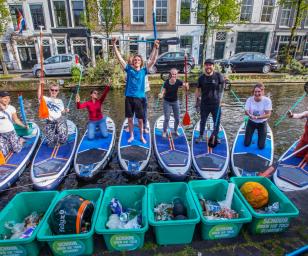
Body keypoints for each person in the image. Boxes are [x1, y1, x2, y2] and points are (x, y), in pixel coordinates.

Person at [112, 38, 159, 144]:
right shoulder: (129, 69)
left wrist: (156, 48)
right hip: (129, 98)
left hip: (140, 98)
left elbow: (153, 60)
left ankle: (142, 136)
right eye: (135, 60)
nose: (136, 61)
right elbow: (119, 58)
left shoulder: (144, 71)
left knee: (140, 120)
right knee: (129, 119)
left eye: (138, 60)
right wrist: (114, 44)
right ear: (133, 62)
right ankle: (132, 135)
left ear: (141, 62)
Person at [195, 59, 225, 144]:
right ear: (204, 66)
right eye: (207, 65)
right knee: (203, 121)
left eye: (210, 65)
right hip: (204, 104)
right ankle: (201, 136)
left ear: (213, 66)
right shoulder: (201, 78)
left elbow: (223, 88)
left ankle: (216, 136)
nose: (208, 67)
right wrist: (197, 103)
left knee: (217, 121)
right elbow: (197, 91)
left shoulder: (218, 76)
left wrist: (221, 100)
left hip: (216, 104)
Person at [159, 68, 189, 137]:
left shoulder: (178, 81)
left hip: (175, 101)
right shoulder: (166, 82)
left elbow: (186, 89)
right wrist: (161, 94)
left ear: (177, 75)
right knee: (167, 118)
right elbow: (163, 91)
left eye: (175, 74)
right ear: (170, 74)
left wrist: (187, 86)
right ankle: (164, 131)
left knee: (177, 119)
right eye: (172, 74)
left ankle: (175, 130)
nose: (174, 75)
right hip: (167, 102)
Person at [244, 83, 272, 149]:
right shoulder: (249, 100)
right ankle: (249, 138)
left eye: (259, 91)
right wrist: (250, 115)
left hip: (262, 123)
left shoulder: (267, 100)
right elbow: (246, 112)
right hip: (251, 122)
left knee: (261, 147)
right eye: (255, 92)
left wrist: (257, 117)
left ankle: (262, 140)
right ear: (253, 92)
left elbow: (268, 114)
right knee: (246, 144)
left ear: (262, 92)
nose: (257, 93)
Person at [0, 91, 27, 156]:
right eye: (5, 98)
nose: (7, 100)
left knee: (17, 150)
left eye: (8, 98)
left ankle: (20, 140)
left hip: (11, 132)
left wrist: (24, 126)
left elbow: (16, 120)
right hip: (1, 134)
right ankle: (7, 144)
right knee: (4, 153)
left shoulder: (11, 108)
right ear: (0, 98)